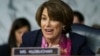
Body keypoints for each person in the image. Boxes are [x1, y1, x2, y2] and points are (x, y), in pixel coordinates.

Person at [21, 0, 94, 56]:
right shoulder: (30, 39)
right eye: (44, 18)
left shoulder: (78, 42)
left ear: (64, 23)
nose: (47, 24)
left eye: (54, 19)